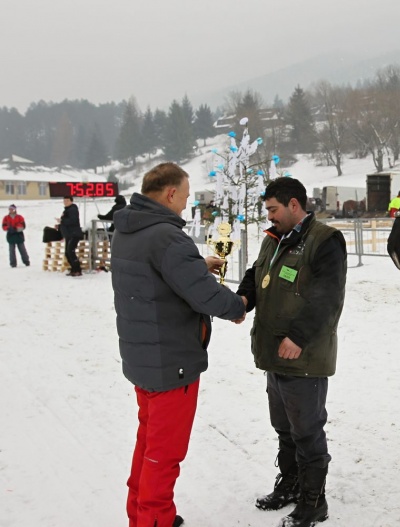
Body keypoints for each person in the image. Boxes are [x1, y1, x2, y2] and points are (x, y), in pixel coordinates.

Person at [111, 162, 247, 527]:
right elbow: (206, 298)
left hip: (144, 359)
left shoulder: (129, 230)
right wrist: (239, 305)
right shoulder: (167, 238)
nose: (186, 206)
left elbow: (157, 277)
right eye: (185, 198)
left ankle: (140, 513)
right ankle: (155, 519)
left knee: (147, 447)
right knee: (164, 456)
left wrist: (195, 265)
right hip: (173, 364)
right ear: (170, 193)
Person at [236, 177, 347, 527]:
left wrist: (298, 337)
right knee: (284, 427)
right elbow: (256, 274)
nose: (269, 216)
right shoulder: (275, 238)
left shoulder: (325, 240)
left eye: (273, 209)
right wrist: (242, 299)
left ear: (294, 205)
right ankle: (290, 484)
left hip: (304, 356)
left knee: (307, 431)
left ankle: (314, 502)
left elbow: (327, 296)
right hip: (274, 352)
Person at [59, 195, 83, 276]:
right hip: (69, 235)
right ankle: (73, 269)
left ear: (71, 201)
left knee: (70, 251)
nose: (65, 202)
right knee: (67, 252)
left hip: (74, 234)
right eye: (64, 201)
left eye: (67, 201)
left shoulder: (72, 209)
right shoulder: (67, 210)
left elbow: (72, 221)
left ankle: (77, 270)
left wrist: (62, 220)